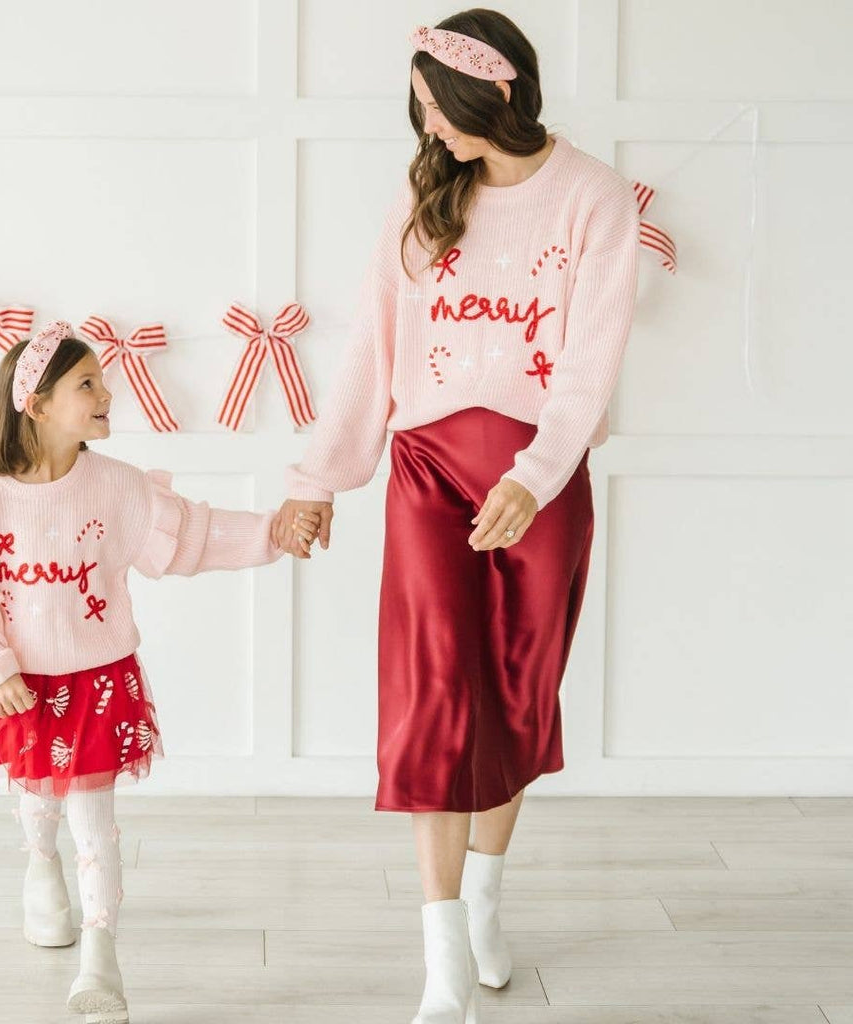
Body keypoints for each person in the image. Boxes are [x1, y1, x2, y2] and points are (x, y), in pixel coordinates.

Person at [276, 10, 640, 1022]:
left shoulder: (594, 198)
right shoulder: (426, 193)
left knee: (519, 695)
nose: (428, 129)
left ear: (498, 93)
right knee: (432, 690)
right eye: (421, 110)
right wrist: (318, 477)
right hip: (429, 470)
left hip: (541, 479)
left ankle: (482, 902)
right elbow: (373, 344)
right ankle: (441, 962)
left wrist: (536, 474)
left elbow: (591, 357)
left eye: (440, 108)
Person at [0, 320, 318, 1023]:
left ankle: (100, 955)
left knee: (94, 821)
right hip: (21, 684)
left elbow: (193, 534)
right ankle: (40, 866)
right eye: (88, 384)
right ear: (37, 404)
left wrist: (271, 532)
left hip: (98, 680)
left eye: (103, 382)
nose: (108, 395)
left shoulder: (116, 486)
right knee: (38, 799)